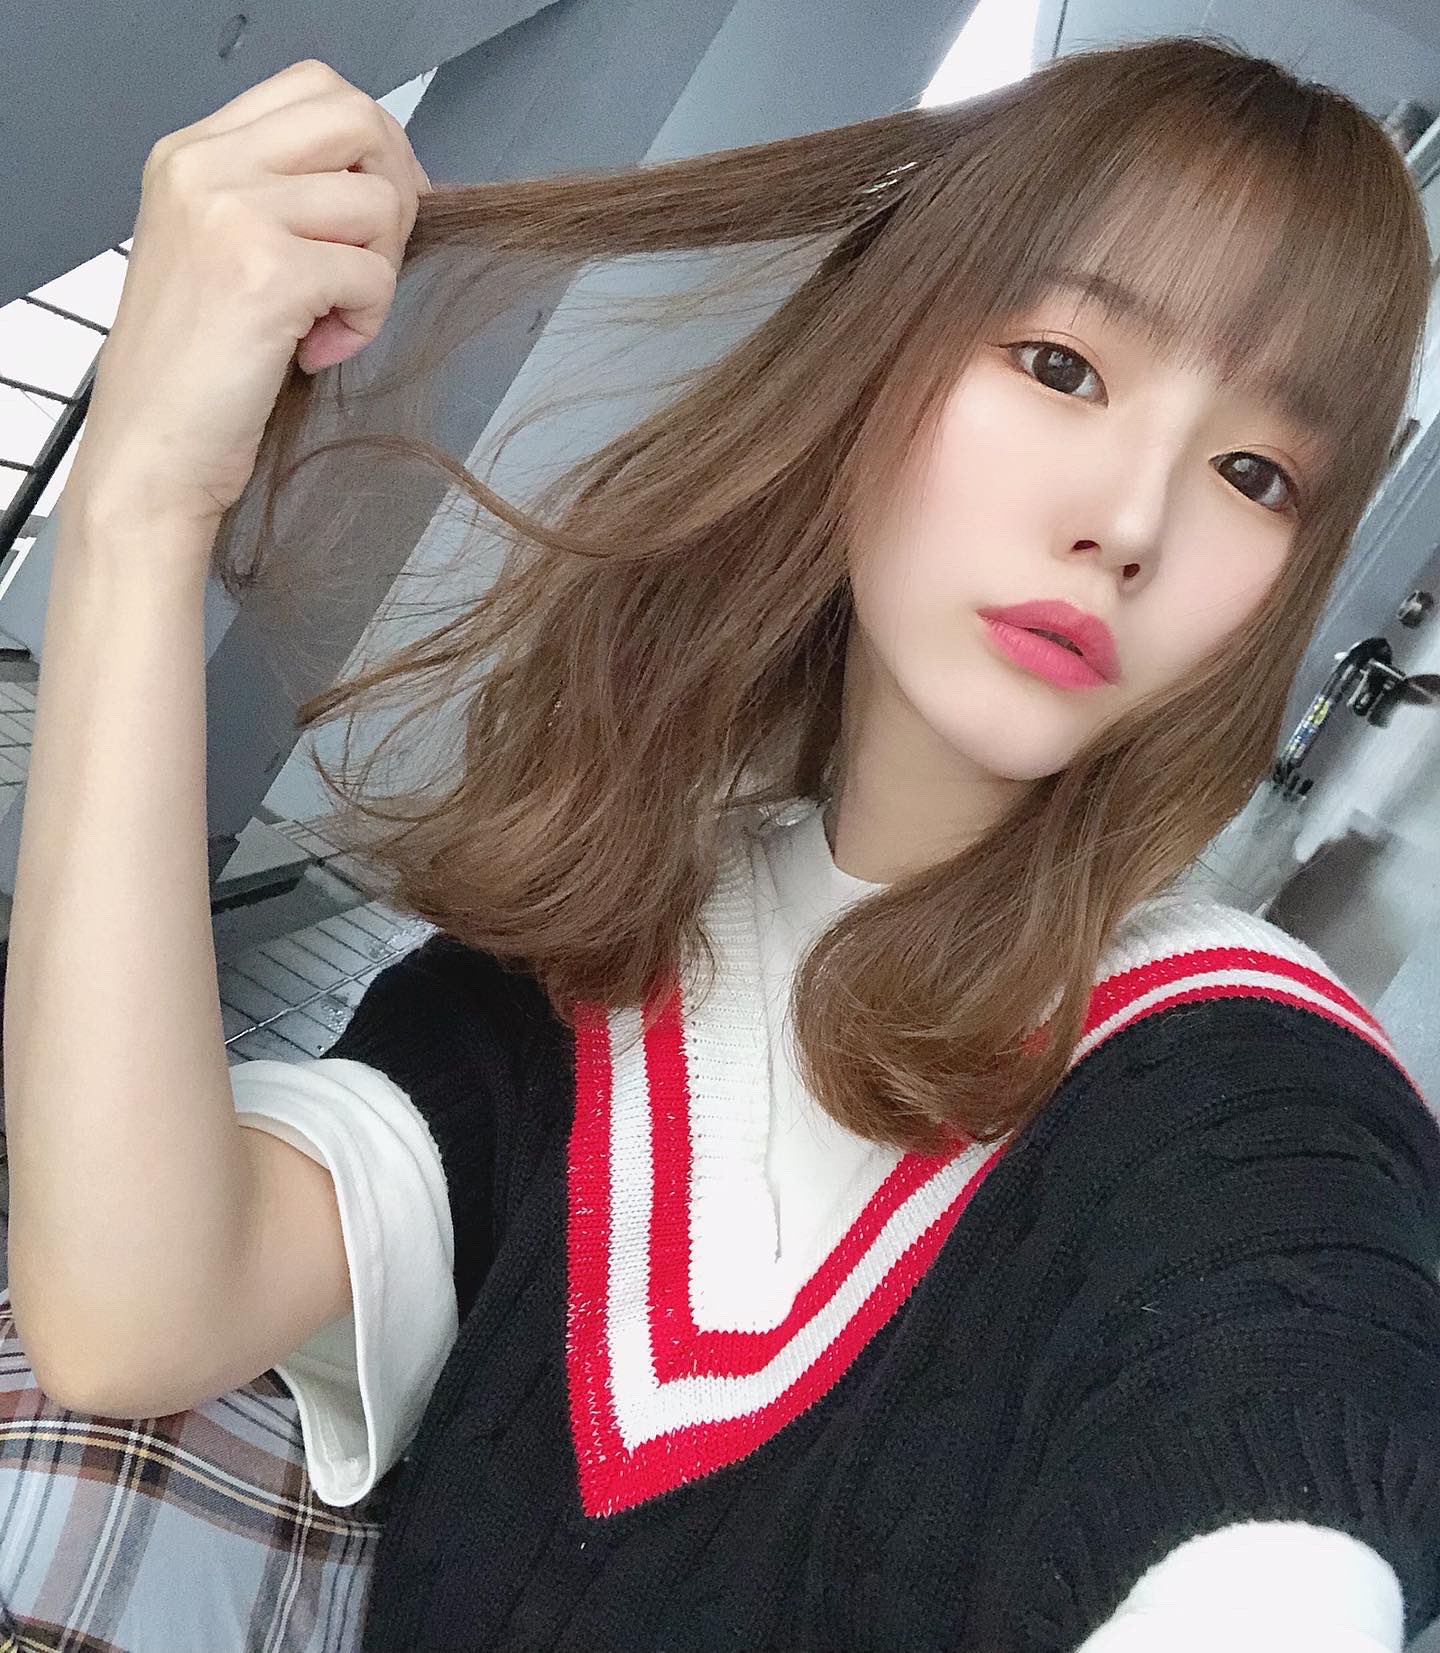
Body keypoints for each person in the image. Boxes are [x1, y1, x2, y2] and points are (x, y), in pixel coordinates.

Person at [4, 30, 1440, 1653]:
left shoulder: (1238, 1104)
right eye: (1061, 365)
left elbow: (1281, 1495)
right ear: (880, 347)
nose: (1132, 522)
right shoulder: (598, 966)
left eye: (1256, 473)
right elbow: (131, 1308)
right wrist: (136, 505)